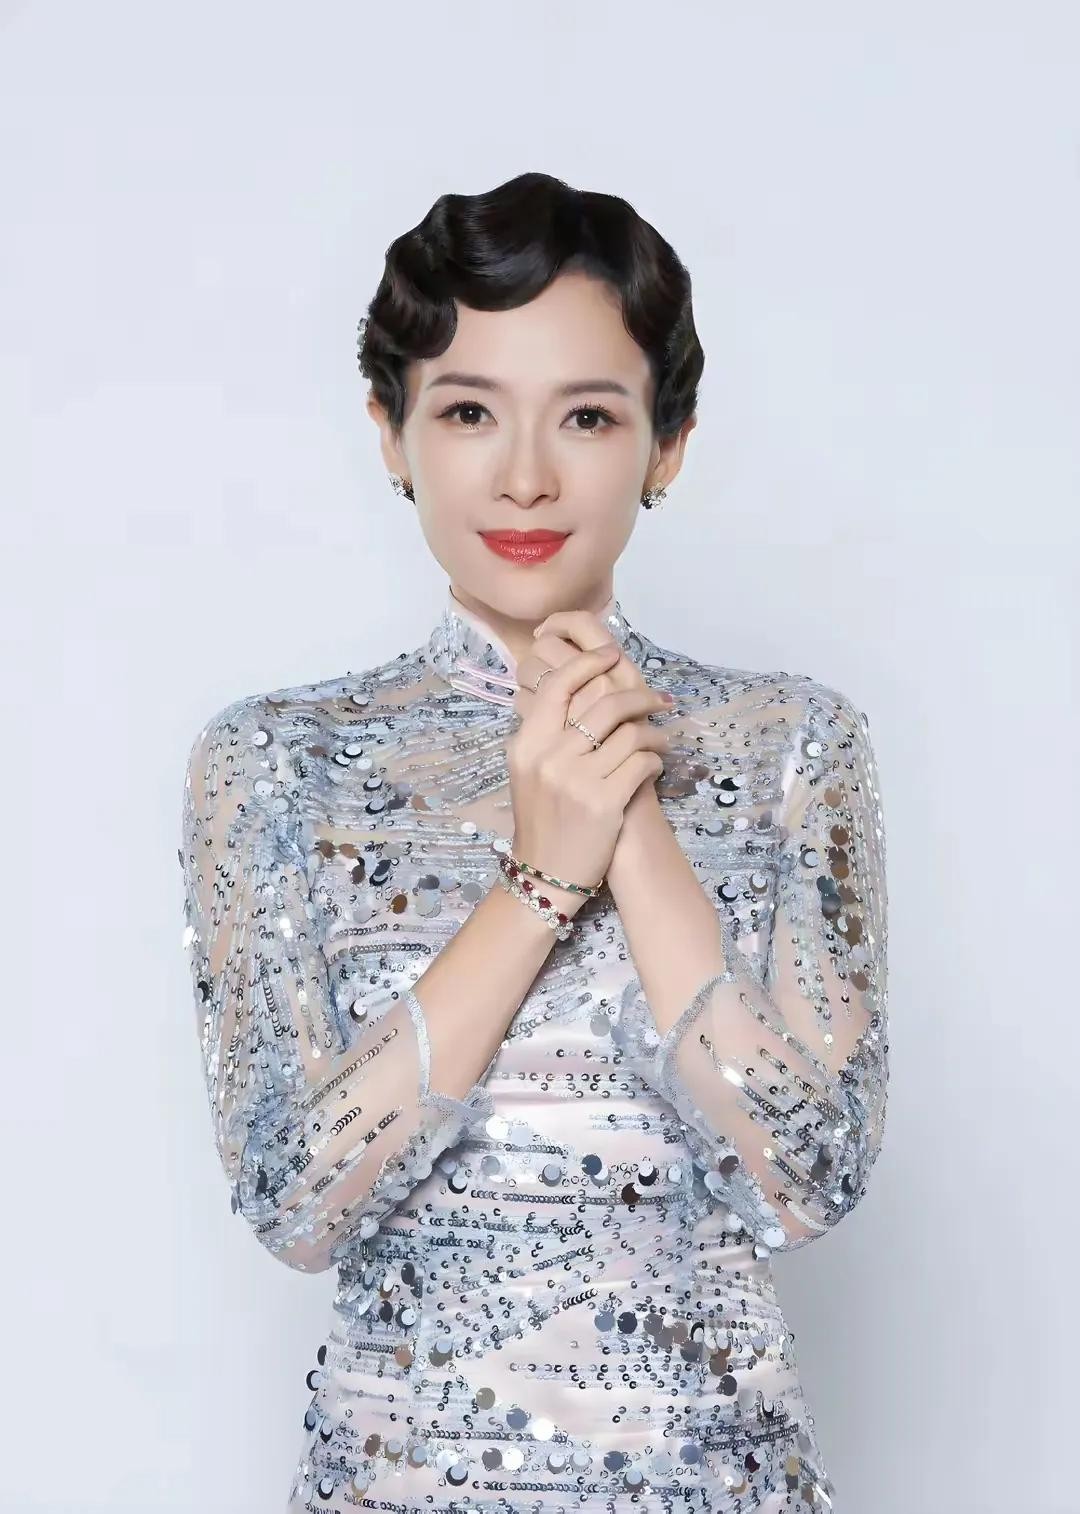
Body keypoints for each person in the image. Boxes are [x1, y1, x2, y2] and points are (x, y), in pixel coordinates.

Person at [179, 171, 890, 1513]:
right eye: (467, 411)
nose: (523, 475)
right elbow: (295, 1200)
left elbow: (806, 1181)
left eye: (587, 415)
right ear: (391, 434)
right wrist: (541, 877)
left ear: (666, 446)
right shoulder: (276, 761)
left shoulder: (793, 744)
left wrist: (632, 817)